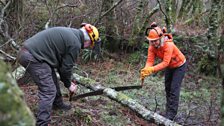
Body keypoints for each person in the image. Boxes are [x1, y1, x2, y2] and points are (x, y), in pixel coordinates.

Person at [17, 23, 100, 126]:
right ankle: (42, 123)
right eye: (90, 44)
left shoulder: (72, 34)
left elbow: (62, 67)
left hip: (32, 55)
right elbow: (65, 69)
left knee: (52, 78)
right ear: (88, 41)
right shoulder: (75, 43)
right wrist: (69, 85)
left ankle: (58, 104)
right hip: (33, 57)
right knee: (48, 90)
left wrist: (68, 81)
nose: (88, 47)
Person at [140, 22, 186, 120]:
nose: (153, 43)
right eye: (151, 41)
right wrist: (146, 69)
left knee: (174, 89)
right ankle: (168, 110)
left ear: (160, 38)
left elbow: (165, 63)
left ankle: (171, 115)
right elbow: (150, 60)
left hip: (179, 66)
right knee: (167, 88)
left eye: (155, 41)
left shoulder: (168, 45)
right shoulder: (152, 47)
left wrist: (152, 69)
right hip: (170, 67)